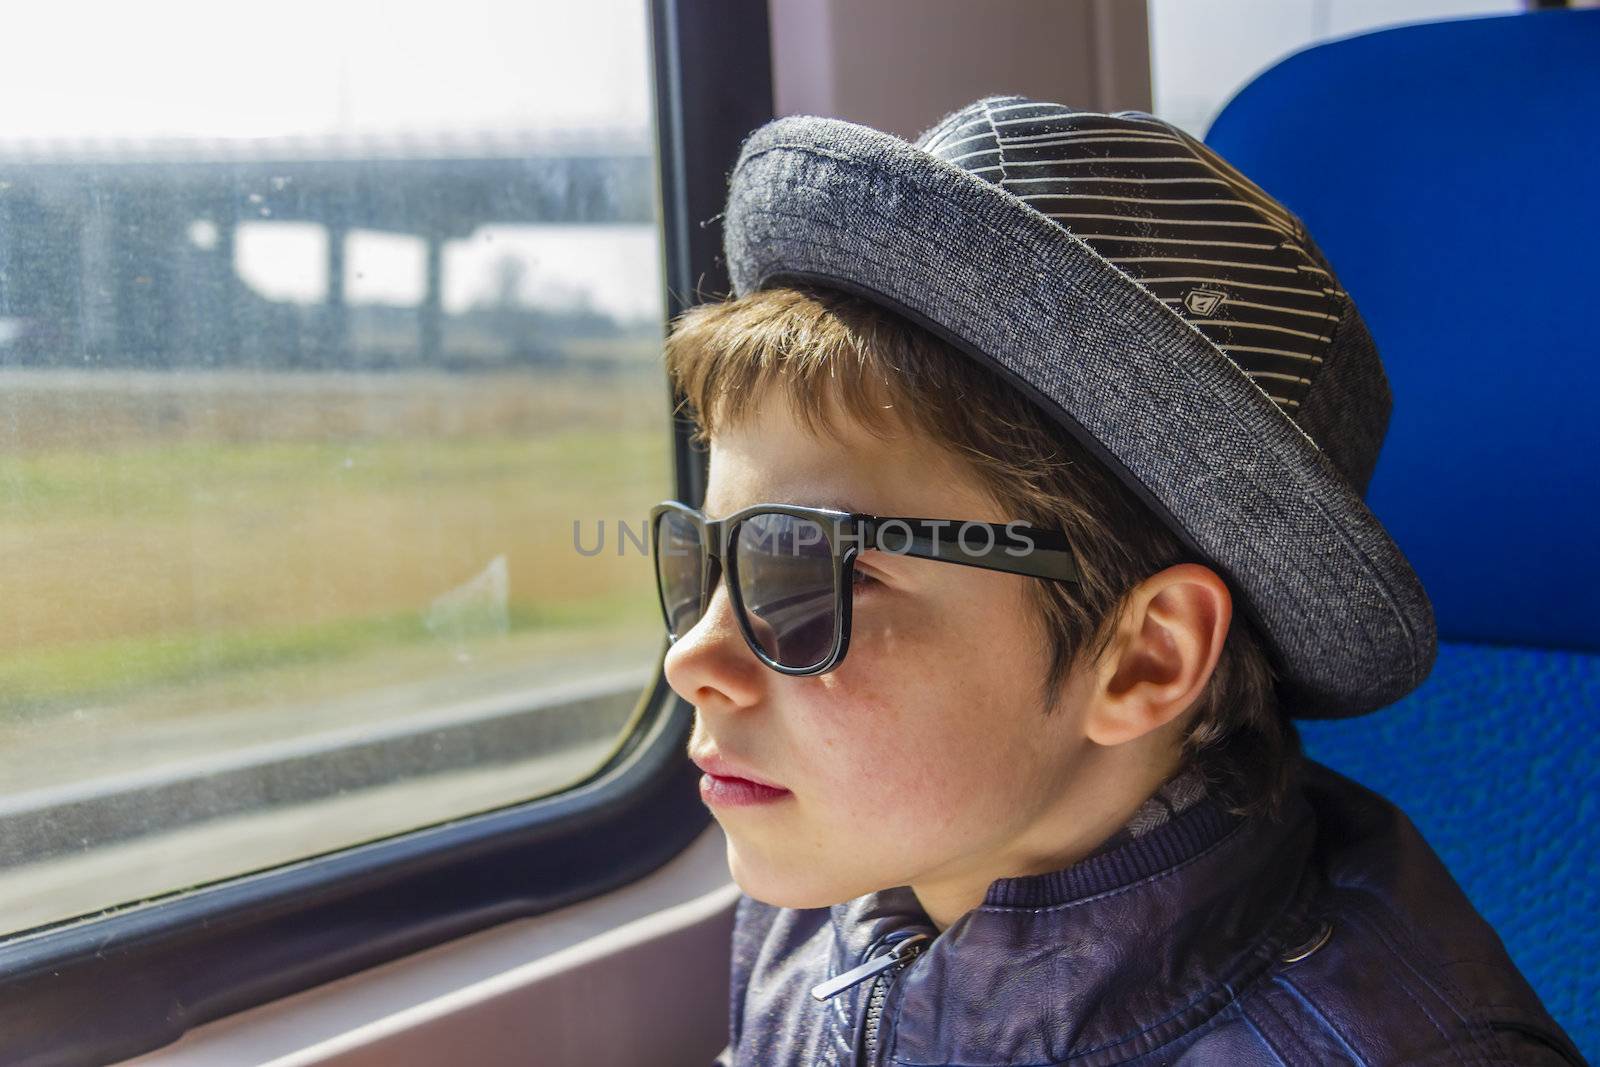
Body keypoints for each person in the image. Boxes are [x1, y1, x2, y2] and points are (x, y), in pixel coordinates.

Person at [655, 96, 1585, 1066]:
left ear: (1145, 655)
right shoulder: (825, 915)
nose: (691, 657)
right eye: (702, 561)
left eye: (802, 576)